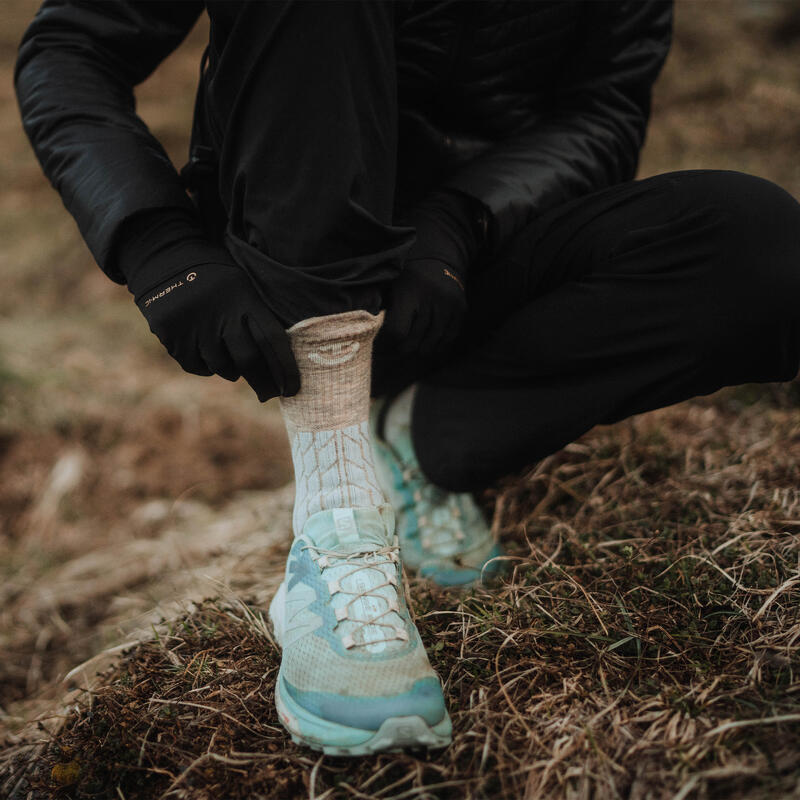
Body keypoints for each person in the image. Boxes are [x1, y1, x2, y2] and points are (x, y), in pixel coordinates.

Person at [15, 0, 800, 756]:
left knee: (762, 252)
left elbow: (606, 108)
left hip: (475, 257)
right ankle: (336, 525)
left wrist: (464, 219)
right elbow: (71, 49)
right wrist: (156, 243)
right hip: (292, 246)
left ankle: (420, 436)